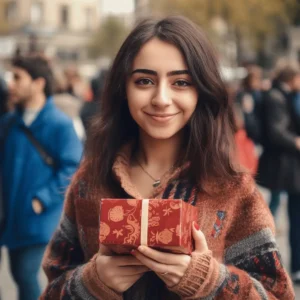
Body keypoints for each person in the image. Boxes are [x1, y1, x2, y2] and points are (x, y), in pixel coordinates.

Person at [41, 16, 294, 299]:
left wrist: (209, 281)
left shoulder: (233, 188)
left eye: (181, 82)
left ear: (202, 90)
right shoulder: (89, 182)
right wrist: (91, 281)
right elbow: (53, 288)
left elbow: (277, 294)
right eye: (145, 80)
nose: (161, 98)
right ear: (123, 88)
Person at [0, 55, 83, 300]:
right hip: (11, 216)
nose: (11, 84)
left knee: (25, 274)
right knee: (18, 273)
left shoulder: (59, 124)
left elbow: (73, 167)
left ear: (38, 83)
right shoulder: (9, 123)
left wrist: (42, 199)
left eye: (17, 77)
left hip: (40, 218)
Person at [258, 65, 300, 284]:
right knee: (273, 207)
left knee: (279, 206)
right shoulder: (276, 97)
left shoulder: (283, 95)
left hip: (285, 166)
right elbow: (276, 132)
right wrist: (295, 141)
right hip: (281, 165)